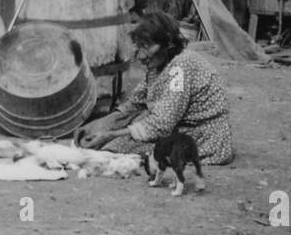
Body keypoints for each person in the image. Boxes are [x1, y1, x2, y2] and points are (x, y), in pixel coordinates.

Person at [77, 10, 234, 164]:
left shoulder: (181, 67)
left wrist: (110, 134)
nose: (141, 55)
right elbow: (133, 105)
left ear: (168, 43)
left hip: (201, 135)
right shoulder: (157, 66)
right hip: (176, 124)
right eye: (139, 46)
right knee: (113, 128)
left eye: (146, 46)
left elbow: (161, 125)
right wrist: (97, 125)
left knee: (116, 145)